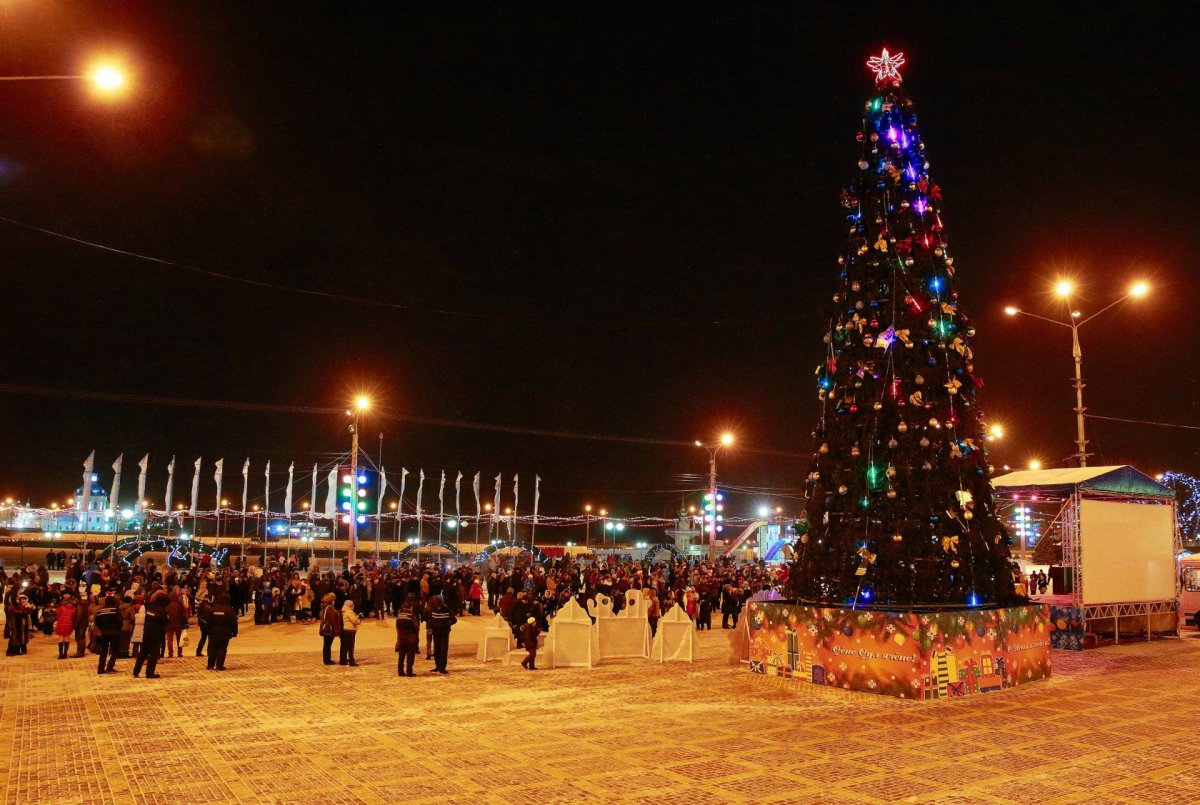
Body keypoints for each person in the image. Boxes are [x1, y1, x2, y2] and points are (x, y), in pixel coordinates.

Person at [133, 591, 167, 679]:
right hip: (156, 635)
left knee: (143, 653)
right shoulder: (162, 611)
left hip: (147, 633)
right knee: (153, 654)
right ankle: (149, 673)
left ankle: (136, 671)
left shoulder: (150, 608)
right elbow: (165, 622)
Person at [206, 593, 237, 671]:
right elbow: (234, 622)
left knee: (212, 649)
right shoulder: (229, 610)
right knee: (222, 648)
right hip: (225, 632)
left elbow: (208, 621)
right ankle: (219, 665)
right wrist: (235, 632)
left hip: (213, 632)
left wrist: (208, 631)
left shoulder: (213, 609)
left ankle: (210, 665)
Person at [425, 595, 455, 674]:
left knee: (443, 650)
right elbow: (430, 619)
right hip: (436, 633)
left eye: (439, 607)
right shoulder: (433, 609)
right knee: (437, 650)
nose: (438, 608)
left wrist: (446, 624)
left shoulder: (447, 609)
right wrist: (431, 627)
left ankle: (442, 667)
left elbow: (453, 619)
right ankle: (437, 666)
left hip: (444, 633)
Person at [93, 595, 122, 675]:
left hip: (104, 633)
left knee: (103, 651)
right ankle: (110, 666)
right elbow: (120, 621)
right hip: (115, 632)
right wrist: (118, 629)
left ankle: (101, 668)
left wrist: (102, 629)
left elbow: (97, 622)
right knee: (115, 650)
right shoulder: (115, 610)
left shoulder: (100, 611)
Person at [394, 594, 420, 677]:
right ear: (410, 608)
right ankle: (409, 671)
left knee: (401, 655)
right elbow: (416, 627)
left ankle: (400, 671)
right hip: (410, 638)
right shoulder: (411, 615)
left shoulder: (399, 615)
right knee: (410, 656)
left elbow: (397, 626)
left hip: (401, 638)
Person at [318, 593, 341, 665]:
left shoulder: (324, 607)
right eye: (333, 599)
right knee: (327, 645)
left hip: (325, 628)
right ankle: (327, 660)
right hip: (329, 629)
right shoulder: (330, 607)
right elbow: (333, 618)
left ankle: (327, 659)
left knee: (326, 644)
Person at [54, 595, 77, 659]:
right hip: (69, 624)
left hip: (61, 623)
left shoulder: (61, 608)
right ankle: (65, 654)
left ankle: (60, 655)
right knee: (67, 638)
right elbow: (73, 617)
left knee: (61, 638)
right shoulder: (73, 608)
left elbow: (57, 616)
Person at [165, 590, 185, 658]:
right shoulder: (179, 605)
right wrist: (184, 623)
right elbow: (183, 615)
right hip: (178, 624)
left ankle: (170, 653)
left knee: (169, 640)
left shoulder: (167, 605)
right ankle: (179, 653)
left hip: (169, 624)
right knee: (179, 639)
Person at [339, 598, 360, 666]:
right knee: (351, 647)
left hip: (346, 630)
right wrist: (359, 620)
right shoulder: (349, 612)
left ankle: (343, 659)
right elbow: (355, 621)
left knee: (345, 646)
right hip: (350, 630)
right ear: (350, 606)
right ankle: (352, 661)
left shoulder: (344, 611)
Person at [195, 593, 213, 658]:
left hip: (204, 624)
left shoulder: (202, 605)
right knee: (208, 638)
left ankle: (199, 651)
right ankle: (208, 652)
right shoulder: (207, 605)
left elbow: (199, 615)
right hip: (206, 624)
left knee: (204, 638)